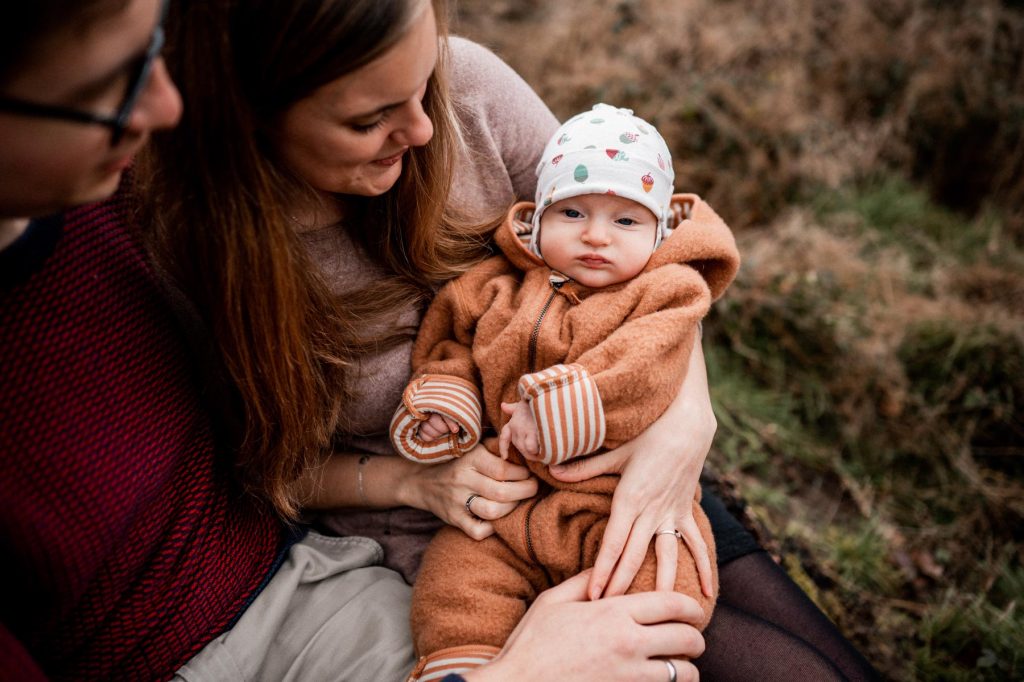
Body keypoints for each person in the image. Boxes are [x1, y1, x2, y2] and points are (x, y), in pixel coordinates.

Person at [1, 0, 878, 680]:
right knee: (685, 645)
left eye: (423, 89)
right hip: (465, 533)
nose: (423, 129)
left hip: (623, 447)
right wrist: (418, 479)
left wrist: (686, 428)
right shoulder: (191, 249)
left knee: (800, 658)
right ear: (251, 113)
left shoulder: (467, 91)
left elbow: (654, 259)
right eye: (370, 118)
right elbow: (260, 467)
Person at [389, 103, 741, 676]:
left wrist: (554, 409)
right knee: (457, 578)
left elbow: (640, 366)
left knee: (662, 578)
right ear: (534, 219)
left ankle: (637, 662)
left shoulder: (665, 294)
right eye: (573, 212)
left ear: (659, 233)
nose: (596, 236)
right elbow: (449, 345)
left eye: (625, 221)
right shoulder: (493, 287)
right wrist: (445, 404)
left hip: (617, 503)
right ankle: (462, 659)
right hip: (511, 506)